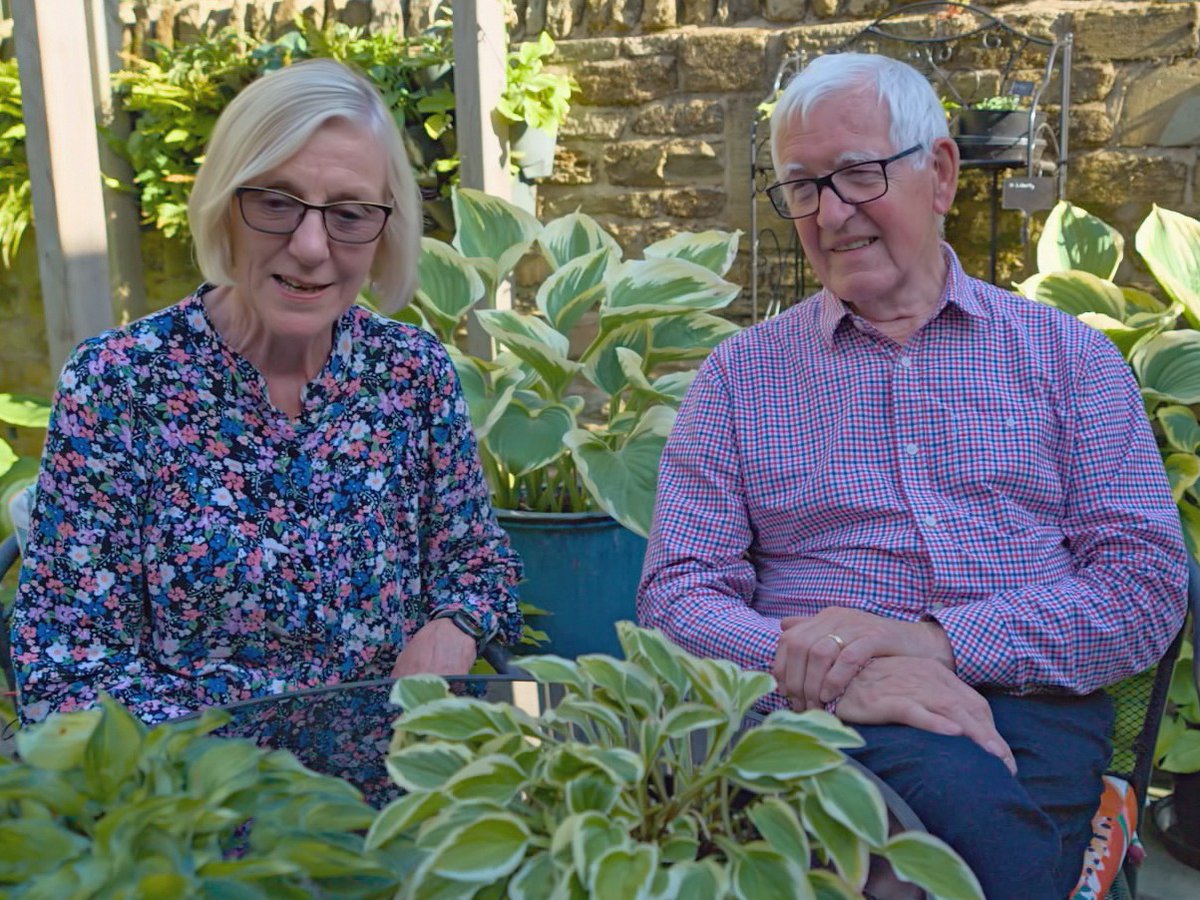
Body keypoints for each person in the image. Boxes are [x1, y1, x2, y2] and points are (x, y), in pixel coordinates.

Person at [638, 52, 1187, 898]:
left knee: (932, 842)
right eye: (803, 188)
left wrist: (937, 645)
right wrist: (840, 667)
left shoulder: (1069, 359)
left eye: (857, 175)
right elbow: (677, 594)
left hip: (1019, 710)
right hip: (813, 716)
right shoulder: (739, 379)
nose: (829, 213)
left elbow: (1146, 586)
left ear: (938, 174)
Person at [11, 58, 522, 726]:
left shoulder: (412, 372)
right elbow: (66, 669)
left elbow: (478, 562)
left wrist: (454, 625)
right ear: (225, 205)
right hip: (198, 801)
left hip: (394, 784)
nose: (311, 246)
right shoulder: (120, 384)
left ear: (384, 229)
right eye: (276, 202)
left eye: (349, 213)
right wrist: (242, 776)